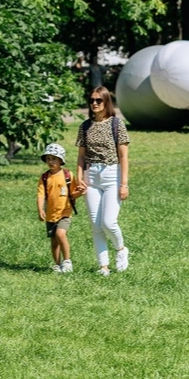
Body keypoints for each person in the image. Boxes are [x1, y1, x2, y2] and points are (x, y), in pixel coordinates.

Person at [76, 86, 130, 276]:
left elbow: (124, 156)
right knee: (95, 224)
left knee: (108, 222)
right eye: (92, 100)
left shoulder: (116, 124)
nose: (94, 103)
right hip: (91, 176)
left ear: (106, 102)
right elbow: (81, 156)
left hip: (111, 174)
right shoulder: (85, 126)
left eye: (99, 100)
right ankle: (103, 266)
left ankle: (121, 249)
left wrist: (124, 184)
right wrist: (79, 177)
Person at [36, 143, 85, 274]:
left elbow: (73, 194)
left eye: (54, 158)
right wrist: (40, 209)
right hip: (50, 214)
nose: (50, 161)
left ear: (61, 160)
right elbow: (41, 195)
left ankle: (67, 261)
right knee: (54, 242)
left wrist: (81, 192)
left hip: (65, 212)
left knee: (60, 234)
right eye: (48, 159)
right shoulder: (44, 177)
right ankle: (57, 264)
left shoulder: (68, 175)